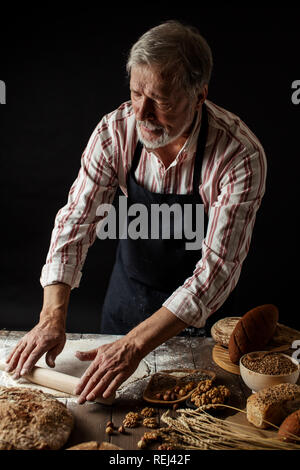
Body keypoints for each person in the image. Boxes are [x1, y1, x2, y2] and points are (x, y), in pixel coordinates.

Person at [5, 21, 266, 404]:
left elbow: (219, 268)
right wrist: (51, 317)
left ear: (199, 96)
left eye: (161, 100)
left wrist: (137, 345)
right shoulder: (115, 132)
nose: (142, 112)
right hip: (127, 295)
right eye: (135, 92)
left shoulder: (239, 155)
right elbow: (75, 222)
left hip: (201, 321)